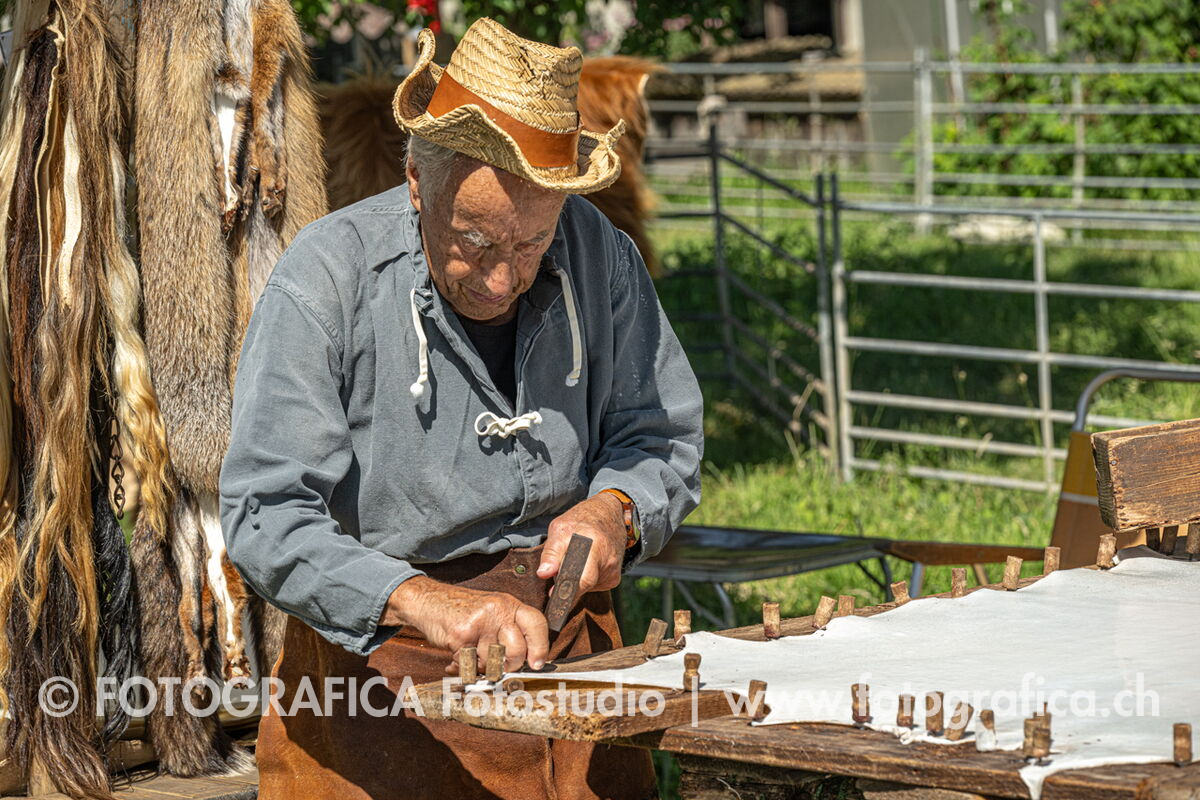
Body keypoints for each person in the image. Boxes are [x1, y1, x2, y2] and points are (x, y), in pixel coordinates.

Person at [219, 16, 703, 800]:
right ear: (417, 180)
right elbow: (265, 514)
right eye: (476, 242)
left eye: (532, 244)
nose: (502, 280)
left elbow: (660, 434)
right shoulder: (326, 280)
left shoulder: (600, 255)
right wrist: (419, 601)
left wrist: (618, 508)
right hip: (379, 682)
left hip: (577, 672)